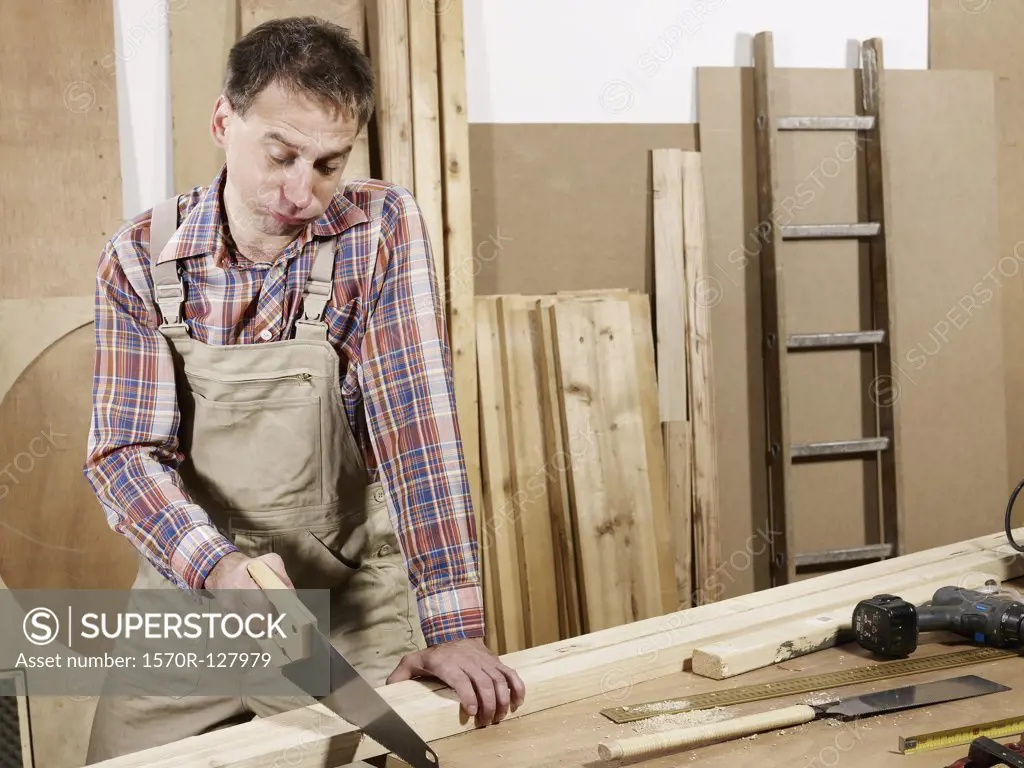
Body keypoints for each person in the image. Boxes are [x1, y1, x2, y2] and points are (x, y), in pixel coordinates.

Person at [82, 15, 524, 762]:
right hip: (195, 589)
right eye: (281, 155)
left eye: (328, 164)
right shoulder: (138, 256)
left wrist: (453, 628)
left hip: (346, 597)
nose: (302, 193)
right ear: (225, 121)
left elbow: (418, 434)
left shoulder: (377, 228)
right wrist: (217, 568)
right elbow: (124, 453)